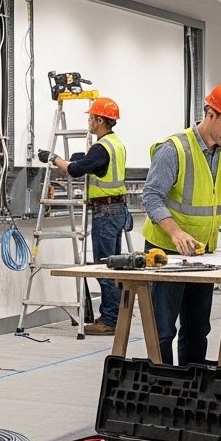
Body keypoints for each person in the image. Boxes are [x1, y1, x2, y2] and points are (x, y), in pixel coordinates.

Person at [141, 81, 221, 365]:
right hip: (166, 253)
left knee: (197, 328)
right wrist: (175, 233)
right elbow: (151, 196)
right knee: (162, 329)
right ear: (211, 114)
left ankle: (191, 391)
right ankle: (163, 389)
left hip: (203, 253)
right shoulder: (174, 149)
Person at [38, 97, 130, 336]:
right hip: (118, 209)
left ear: (100, 120)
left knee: (104, 266)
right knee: (115, 266)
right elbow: (94, 164)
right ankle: (115, 315)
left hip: (106, 211)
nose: (88, 121)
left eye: (91, 118)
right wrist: (81, 156)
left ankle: (110, 319)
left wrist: (53, 158)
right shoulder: (116, 144)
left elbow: (76, 170)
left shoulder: (101, 148)